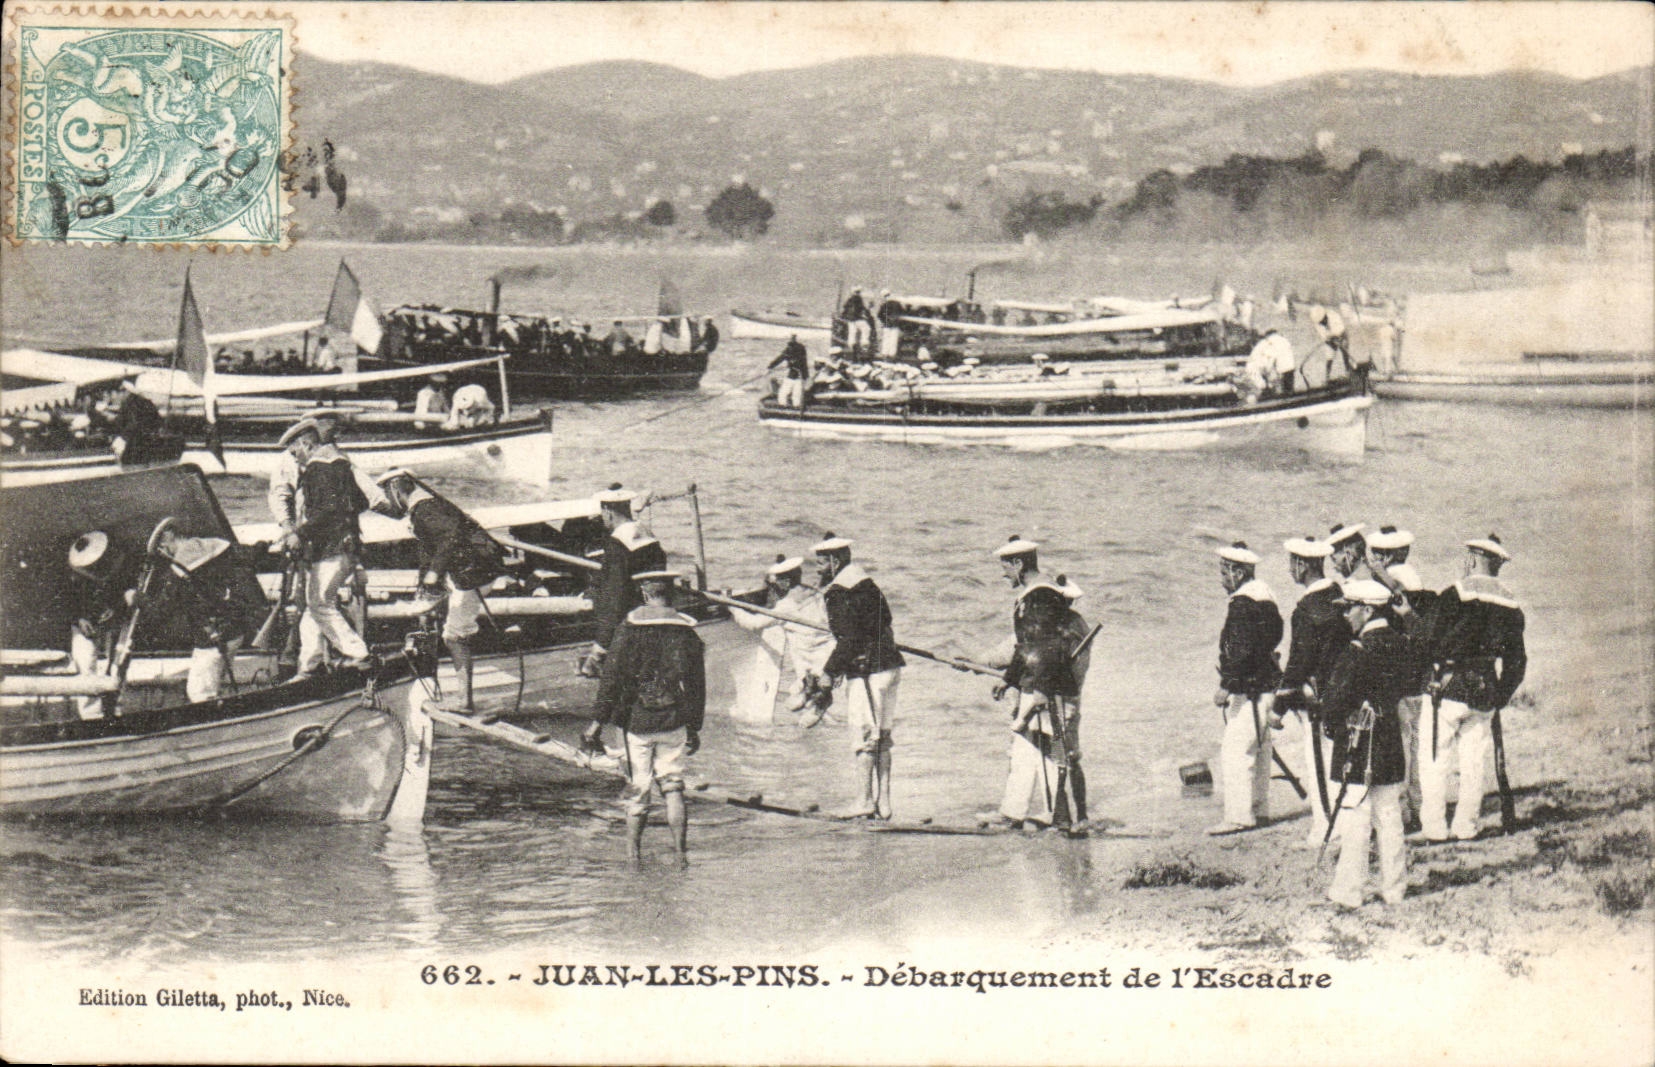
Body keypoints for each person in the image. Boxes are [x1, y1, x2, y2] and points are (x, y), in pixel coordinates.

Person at [582, 571, 706, 862]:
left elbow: (611, 679)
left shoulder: (630, 627)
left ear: (644, 593)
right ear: (670, 593)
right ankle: (680, 852)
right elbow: (697, 684)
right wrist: (694, 725)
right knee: (673, 785)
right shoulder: (686, 630)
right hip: (673, 717)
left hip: (636, 720)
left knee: (639, 787)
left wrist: (596, 724)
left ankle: (633, 855)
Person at [1417, 535, 1527, 842]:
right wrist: (1500, 695)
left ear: (1474, 558)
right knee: (1473, 763)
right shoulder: (1512, 605)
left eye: (1469, 556)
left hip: (1448, 687)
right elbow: (1517, 661)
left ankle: (1435, 827)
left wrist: (1425, 672)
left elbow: (1427, 639)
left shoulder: (1455, 594)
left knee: (1434, 758)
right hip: (1485, 689)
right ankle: (1466, 826)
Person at [376, 470, 507, 715]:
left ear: (396, 489)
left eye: (387, 493)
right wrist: (424, 588)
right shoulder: (426, 508)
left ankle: (464, 703)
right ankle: (462, 698)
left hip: (474, 574)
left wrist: (434, 574)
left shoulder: (425, 509)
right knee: (454, 630)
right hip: (475, 572)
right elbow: (429, 551)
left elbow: (451, 537)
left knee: (454, 636)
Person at [1321, 579, 1413, 910]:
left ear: (1368, 609)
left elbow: (1333, 704)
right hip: (1389, 741)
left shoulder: (1357, 651)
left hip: (1359, 744)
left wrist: (1330, 725)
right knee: (1389, 817)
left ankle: (1349, 891)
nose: (1346, 615)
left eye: (1350, 608)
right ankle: (1395, 889)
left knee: (1355, 819)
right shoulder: (1402, 644)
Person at [982, 537, 1085, 833]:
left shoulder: (1038, 598)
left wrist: (1039, 690)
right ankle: (1014, 813)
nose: (1003, 574)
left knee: (1049, 751)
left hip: (1047, 689)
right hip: (1038, 684)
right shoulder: (1040, 595)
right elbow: (1026, 647)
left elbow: (1046, 647)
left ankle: (1059, 818)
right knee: (1025, 750)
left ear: (1018, 564)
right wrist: (1009, 679)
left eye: (1005, 567)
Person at [273, 417, 388, 679]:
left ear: (306, 444)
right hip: (346, 546)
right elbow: (359, 502)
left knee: (320, 604)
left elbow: (328, 510)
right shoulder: (341, 466)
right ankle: (309, 666)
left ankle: (360, 655)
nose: (294, 459)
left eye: (295, 452)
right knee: (315, 607)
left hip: (331, 550)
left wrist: (298, 534)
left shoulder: (317, 470)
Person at [806, 532, 904, 819]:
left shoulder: (838, 592)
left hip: (866, 674)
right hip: (890, 667)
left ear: (835, 562)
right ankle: (883, 804)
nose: (818, 570)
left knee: (864, 738)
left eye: (821, 563)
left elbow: (848, 641)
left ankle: (863, 801)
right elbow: (884, 622)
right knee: (882, 738)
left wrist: (828, 674)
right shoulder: (868, 584)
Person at [1208, 541, 1284, 836]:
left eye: (1225, 572)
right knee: (1261, 749)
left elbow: (1239, 649)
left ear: (1238, 573)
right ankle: (1259, 810)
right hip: (1267, 683)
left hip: (1249, 688)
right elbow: (1271, 639)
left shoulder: (1242, 604)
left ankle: (1239, 817)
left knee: (1235, 752)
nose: (1222, 579)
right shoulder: (1267, 598)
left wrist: (1227, 685)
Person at [1364, 525, 1438, 829]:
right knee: (1417, 745)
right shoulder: (1414, 579)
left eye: (1379, 554)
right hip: (1419, 674)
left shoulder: (1395, 582)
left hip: (1401, 676)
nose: (1374, 558)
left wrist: (1377, 573)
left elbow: (1395, 597)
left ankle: (1406, 810)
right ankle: (1419, 806)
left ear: (1388, 554)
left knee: (1404, 743)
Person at [1274, 534, 1345, 848]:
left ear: (1302, 565)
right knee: (1339, 760)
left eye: (1292, 563)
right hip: (1343, 692)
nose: (1290, 569)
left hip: (1316, 699)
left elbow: (1299, 661)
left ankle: (1325, 828)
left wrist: (1278, 707)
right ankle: (1342, 822)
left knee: (1318, 762)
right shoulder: (1338, 595)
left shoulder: (1306, 609)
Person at [728, 554, 832, 725]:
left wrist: (732, 607)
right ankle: (810, 694)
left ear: (785, 582)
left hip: (810, 657)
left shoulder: (786, 606)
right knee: (797, 699)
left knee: (804, 712)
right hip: (827, 652)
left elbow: (754, 624)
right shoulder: (816, 594)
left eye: (777, 581)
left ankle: (818, 701)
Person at [579, 485, 668, 678]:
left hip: (629, 627)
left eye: (602, 513)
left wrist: (599, 649)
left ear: (608, 512)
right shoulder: (648, 536)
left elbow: (615, 598)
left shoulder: (617, 544)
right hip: (657, 614)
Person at [66, 530, 138, 719]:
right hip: (85, 625)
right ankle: (92, 716)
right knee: (86, 666)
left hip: (115, 621)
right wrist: (78, 618)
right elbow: (65, 600)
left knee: (117, 666)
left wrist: (125, 599)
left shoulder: (120, 564)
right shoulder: (73, 573)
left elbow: (128, 586)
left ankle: (115, 710)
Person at [1243, 328, 1297, 396]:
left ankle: (1270, 392)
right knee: (1285, 379)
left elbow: (1268, 359)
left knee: (1264, 383)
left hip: (1260, 367)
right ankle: (1284, 392)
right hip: (1280, 366)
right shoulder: (1282, 340)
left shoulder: (1265, 343)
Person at [767, 335, 811, 408]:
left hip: (798, 376)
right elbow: (781, 358)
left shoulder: (799, 349)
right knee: (787, 394)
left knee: (793, 394)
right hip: (795, 376)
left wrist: (771, 366)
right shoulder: (793, 349)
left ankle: (789, 407)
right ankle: (787, 406)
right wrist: (770, 367)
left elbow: (799, 362)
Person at [841, 288, 873, 357]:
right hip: (857, 319)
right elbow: (862, 308)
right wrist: (867, 310)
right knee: (866, 329)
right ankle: (864, 345)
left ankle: (852, 349)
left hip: (851, 320)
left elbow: (845, 308)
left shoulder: (849, 300)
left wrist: (845, 316)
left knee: (852, 334)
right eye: (858, 292)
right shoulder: (858, 299)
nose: (859, 294)